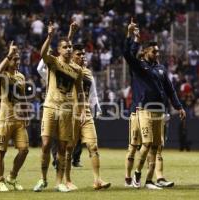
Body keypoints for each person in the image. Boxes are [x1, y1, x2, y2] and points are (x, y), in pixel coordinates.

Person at [123, 18, 186, 189]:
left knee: (157, 147)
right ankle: (133, 175)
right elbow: (128, 54)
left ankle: (151, 180)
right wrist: (131, 36)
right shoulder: (138, 67)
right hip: (142, 110)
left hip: (160, 111)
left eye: (158, 52)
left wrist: (178, 106)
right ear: (144, 52)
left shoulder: (161, 69)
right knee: (142, 145)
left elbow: (170, 89)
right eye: (154, 52)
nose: (157, 55)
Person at [33, 22, 85, 192]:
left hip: (67, 110)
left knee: (63, 147)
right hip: (50, 106)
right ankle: (42, 179)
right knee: (46, 144)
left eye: (70, 47)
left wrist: (82, 109)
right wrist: (49, 36)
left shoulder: (77, 69)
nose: (69, 49)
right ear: (59, 50)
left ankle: (59, 182)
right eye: (65, 47)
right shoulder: (53, 62)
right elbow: (42, 53)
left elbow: (80, 92)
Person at [64, 41, 111, 190]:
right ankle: (67, 180)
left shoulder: (88, 73)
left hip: (86, 113)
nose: (82, 56)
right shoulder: (66, 69)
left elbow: (93, 94)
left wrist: (96, 108)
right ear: (71, 56)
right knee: (69, 148)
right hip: (71, 113)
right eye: (79, 54)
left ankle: (97, 180)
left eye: (83, 54)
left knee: (93, 145)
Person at [37, 48, 83, 169]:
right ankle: (54, 162)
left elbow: (66, 50)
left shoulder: (71, 70)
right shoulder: (51, 68)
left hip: (66, 107)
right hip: (51, 105)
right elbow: (40, 66)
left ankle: (65, 163)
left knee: (66, 141)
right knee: (51, 139)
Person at [0, 41, 29, 192]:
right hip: (4, 118)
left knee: (24, 149)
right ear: (8, 60)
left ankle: (12, 177)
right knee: (1, 151)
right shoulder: (3, 75)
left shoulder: (21, 76)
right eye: (15, 59)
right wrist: (9, 54)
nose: (17, 62)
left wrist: (26, 112)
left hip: (18, 119)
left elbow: (23, 97)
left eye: (18, 59)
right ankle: (0, 181)